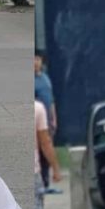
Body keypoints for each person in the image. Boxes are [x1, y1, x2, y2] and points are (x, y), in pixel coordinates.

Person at [34, 50, 60, 194]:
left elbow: (51, 100)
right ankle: (41, 184)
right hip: (37, 122)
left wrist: (54, 118)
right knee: (40, 151)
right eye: (33, 59)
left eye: (38, 59)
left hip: (48, 121)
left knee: (47, 153)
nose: (36, 62)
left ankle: (46, 183)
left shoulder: (45, 78)